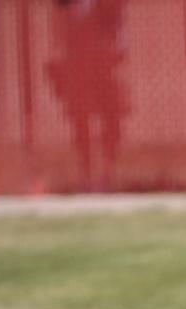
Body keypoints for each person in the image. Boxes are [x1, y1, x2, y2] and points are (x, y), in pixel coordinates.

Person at [46, 0, 129, 192]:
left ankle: (108, 172)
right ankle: (86, 173)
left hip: (104, 69)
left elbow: (120, 37)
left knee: (112, 120)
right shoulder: (69, 7)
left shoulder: (109, 6)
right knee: (81, 123)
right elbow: (59, 37)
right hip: (77, 70)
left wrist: (113, 53)